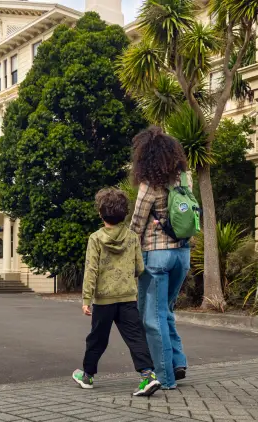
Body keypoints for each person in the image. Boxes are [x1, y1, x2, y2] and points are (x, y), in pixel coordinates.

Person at [72, 187, 162, 397]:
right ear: (124, 213)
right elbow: (140, 268)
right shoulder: (132, 237)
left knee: (97, 338)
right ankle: (148, 376)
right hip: (128, 298)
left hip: (103, 300)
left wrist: (87, 298)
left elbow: (91, 270)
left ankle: (87, 376)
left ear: (101, 213)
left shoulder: (95, 238)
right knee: (136, 337)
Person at [129, 126, 192, 390]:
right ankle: (177, 362)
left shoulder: (149, 185)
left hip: (156, 257)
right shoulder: (183, 179)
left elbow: (136, 224)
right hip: (182, 254)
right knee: (165, 312)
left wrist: (127, 254)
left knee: (152, 318)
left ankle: (164, 378)